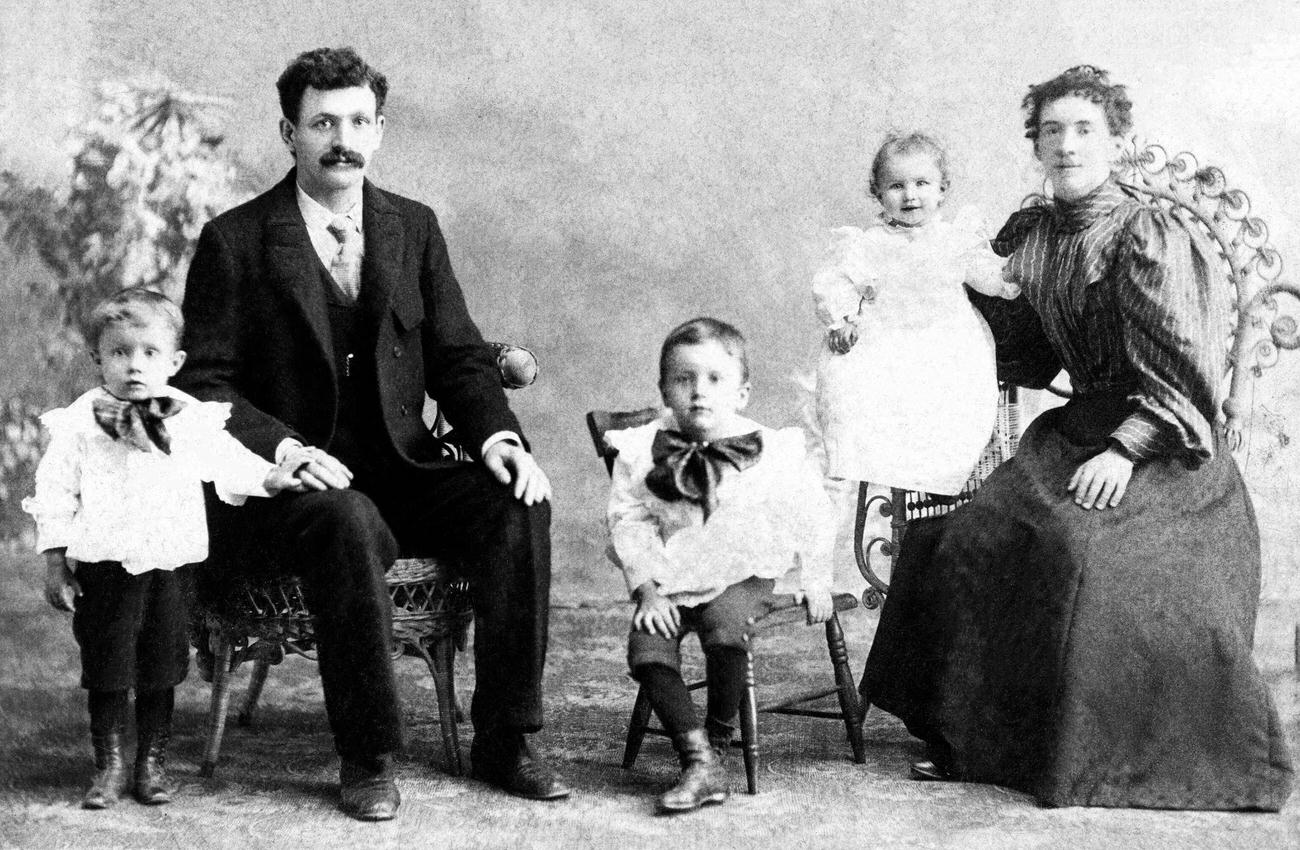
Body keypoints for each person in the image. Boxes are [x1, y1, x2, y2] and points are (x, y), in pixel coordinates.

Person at [860, 65, 1293, 810]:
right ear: (1036, 145)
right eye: (1051, 130)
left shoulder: (1149, 232)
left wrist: (1125, 449)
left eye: (1085, 128)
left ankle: (1084, 758)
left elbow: (1188, 376)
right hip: (1072, 431)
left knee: (1078, 551)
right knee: (965, 538)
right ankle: (979, 738)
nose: (1067, 144)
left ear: (1117, 139)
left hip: (1166, 445)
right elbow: (1021, 351)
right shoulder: (1031, 235)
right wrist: (919, 278)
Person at [176, 46, 568, 821]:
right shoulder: (237, 240)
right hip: (289, 487)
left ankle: (506, 736)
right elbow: (204, 383)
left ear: (380, 130)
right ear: (289, 132)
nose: (342, 138)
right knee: (346, 520)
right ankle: (368, 754)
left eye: (358, 121)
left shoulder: (413, 228)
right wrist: (283, 450)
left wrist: (498, 439)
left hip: (400, 466)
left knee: (516, 504)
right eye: (323, 122)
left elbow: (458, 355)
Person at [22, 287, 301, 810]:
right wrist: (55, 561)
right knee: (107, 662)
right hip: (106, 566)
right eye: (119, 352)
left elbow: (228, 459)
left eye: (149, 353)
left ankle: (151, 763)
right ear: (98, 359)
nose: (133, 365)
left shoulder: (191, 418)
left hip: (171, 563)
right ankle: (109, 763)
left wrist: (272, 476)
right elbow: (55, 491)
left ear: (174, 362)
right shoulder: (80, 422)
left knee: (160, 662)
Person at [605, 318, 835, 813]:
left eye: (714, 379)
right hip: (671, 574)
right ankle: (698, 758)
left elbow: (811, 513)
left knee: (725, 631)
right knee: (646, 649)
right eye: (683, 379)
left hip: (742, 569)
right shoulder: (643, 448)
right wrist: (646, 588)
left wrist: (817, 579)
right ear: (664, 389)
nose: (698, 393)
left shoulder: (769, 449)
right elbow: (629, 520)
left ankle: (720, 739)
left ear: (743, 392)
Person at [812, 131, 1018, 497]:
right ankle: (866, 461)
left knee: (955, 393)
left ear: (942, 190)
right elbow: (838, 280)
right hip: (886, 340)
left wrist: (1010, 277)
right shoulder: (868, 244)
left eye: (922, 183)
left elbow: (986, 276)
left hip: (945, 340)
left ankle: (942, 473)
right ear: (878, 193)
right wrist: (842, 319)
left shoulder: (955, 240)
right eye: (896, 186)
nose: (910, 195)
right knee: (852, 383)